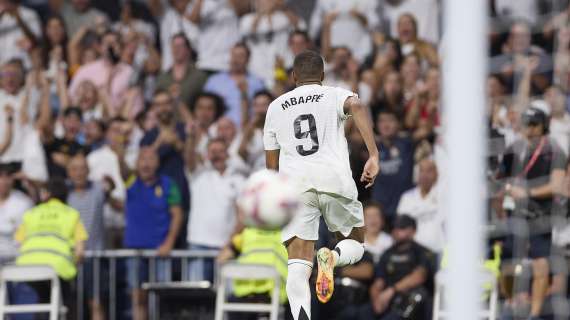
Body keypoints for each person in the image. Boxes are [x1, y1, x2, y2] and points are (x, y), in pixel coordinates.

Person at [263, 50, 380, 319]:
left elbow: (271, 166)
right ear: (323, 76)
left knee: (297, 265)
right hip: (334, 180)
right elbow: (358, 106)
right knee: (355, 244)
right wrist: (373, 155)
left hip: (295, 187)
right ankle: (333, 258)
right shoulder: (334, 94)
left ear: (293, 77)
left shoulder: (275, 107)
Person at [499, 106, 567, 319]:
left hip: (539, 217)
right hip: (514, 214)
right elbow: (501, 179)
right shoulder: (513, 148)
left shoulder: (555, 151)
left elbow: (556, 185)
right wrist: (507, 190)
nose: (527, 129)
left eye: (532, 124)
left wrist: (526, 192)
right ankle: (511, 302)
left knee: (540, 265)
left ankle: (535, 314)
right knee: (508, 265)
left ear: (542, 126)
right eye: (525, 124)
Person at [124, 147, 184, 320]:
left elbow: (177, 214)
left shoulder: (168, 184)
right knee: (138, 298)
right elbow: (122, 168)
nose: (146, 164)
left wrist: (169, 242)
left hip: (160, 252)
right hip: (135, 252)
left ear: (158, 163)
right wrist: (121, 144)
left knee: (160, 298)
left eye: (150, 159)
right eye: (142, 159)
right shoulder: (130, 181)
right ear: (136, 163)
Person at [14, 177, 89, 314]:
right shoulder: (72, 214)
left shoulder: (31, 213)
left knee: (42, 300)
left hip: (26, 266)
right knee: (66, 303)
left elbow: (18, 242)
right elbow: (80, 251)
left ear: (46, 194)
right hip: (58, 267)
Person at [185, 136, 245, 281]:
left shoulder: (239, 180)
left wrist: (231, 242)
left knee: (226, 296)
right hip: (198, 245)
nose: (216, 154)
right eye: (212, 151)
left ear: (227, 154)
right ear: (206, 154)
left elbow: (242, 215)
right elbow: (189, 158)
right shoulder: (198, 174)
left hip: (226, 247)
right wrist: (191, 137)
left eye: (220, 151)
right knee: (196, 295)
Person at [203, 42, 265, 126]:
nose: (235, 60)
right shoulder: (214, 81)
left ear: (248, 59)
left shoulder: (257, 83)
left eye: (240, 56)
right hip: (217, 128)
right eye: (233, 55)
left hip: (246, 129)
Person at [371, 110, 415, 223]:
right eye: (381, 121)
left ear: (398, 124)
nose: (386, 125)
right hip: (380, 212)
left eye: (390, 120)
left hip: (403, 208)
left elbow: (425, 130)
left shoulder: (407, 143)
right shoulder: (371, 147)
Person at [155, 33, 208, 118]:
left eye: (180, 46)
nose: (176, 49)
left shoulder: (199, 77)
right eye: (174, 46)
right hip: (167, 125)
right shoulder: (163, 78)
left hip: (190, 125)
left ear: (188, 49)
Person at [396, 158, 444, 253]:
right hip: (413, 255)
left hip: (439, 251)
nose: (425, 175)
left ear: (437, 173)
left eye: (429, 171)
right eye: (421, 171)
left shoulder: (445, 196)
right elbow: (401, 228)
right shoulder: (407, 198)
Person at [0, 164, 33, 265]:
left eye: (8, 177)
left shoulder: (24, 202)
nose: (4, 181)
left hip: (15, 259)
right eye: (0, 177)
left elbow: (28, 233)